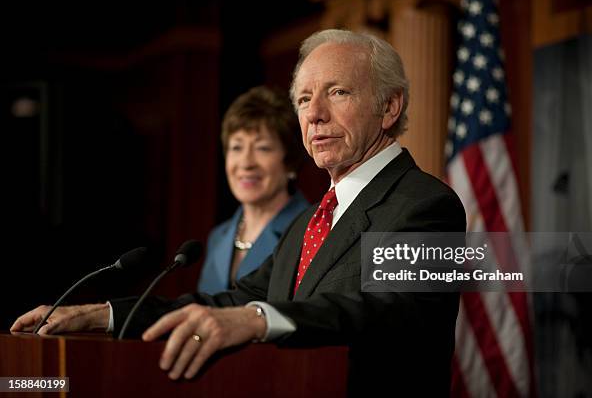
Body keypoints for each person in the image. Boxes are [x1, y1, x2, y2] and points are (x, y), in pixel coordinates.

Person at [12, 29, 465, 396]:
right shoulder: (311, 223)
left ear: (390, 106)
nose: (315, 114)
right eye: (304, 99)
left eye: (338, 92)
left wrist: (257, 318)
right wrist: (105, 315)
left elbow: (390, 309)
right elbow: (225, 303)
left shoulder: (428, 205)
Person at [198, 86, 309, 294]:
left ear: (290, 162)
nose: (246, 163)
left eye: (262, 148)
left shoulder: (310, 232)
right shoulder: (218, 237)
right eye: (237, 147)